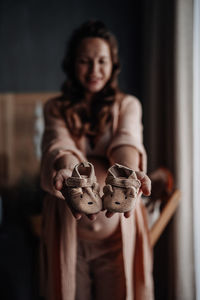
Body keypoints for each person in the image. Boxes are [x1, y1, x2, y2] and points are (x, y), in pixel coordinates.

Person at [40, 20, 154, 300]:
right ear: (72, 64)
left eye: (102, 61)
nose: (94, 71)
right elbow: (60, 143)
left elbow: (126, 142)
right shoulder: (54, 107)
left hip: (117, 239)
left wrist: (127, 172)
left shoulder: (128, 105)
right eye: (85, 61)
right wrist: (67, 167)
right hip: (70, 237)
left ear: (113, 64)